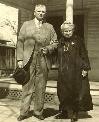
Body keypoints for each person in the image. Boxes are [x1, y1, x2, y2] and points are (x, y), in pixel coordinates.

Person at [16, 4, 57, 121]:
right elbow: (20, 42)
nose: (41, 13)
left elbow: (55, 42)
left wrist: (48, 48)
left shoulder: (49, 27)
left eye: (43, 12)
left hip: (43, 59)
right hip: (28, 59)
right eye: (39, 11)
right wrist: (19, 59)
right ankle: (23, 112)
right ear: (34, 12)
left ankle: (38, 111)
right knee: (27, 86)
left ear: (45, 13)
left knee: (41, 86)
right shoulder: (26, 25)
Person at [55, 21, 93, 122]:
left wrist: (85, 68)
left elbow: (84, 54)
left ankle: (75, 113)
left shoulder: (78, 40)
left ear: (73, 30)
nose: (67, 33)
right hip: (64, 71)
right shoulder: (60, 41)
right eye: (65, 31)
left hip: (76, 71)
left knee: (75, 92)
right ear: (62, 32)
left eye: (69, 30)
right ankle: (64, 112)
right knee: (63, 92)